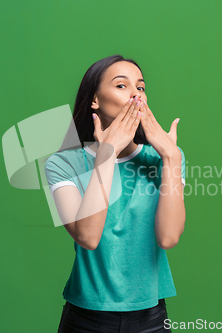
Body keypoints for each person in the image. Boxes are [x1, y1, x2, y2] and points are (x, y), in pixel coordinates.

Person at [44, 54, 186, 332]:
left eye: (140, 88)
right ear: (95, 100)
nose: (135, 94)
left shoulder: (167, 157)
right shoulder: (63, 163)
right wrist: (106, 157)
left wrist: (171, 157)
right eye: (121, 86)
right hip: (86, 319)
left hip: (152, 317)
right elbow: (88, 237)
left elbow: (169, 238)